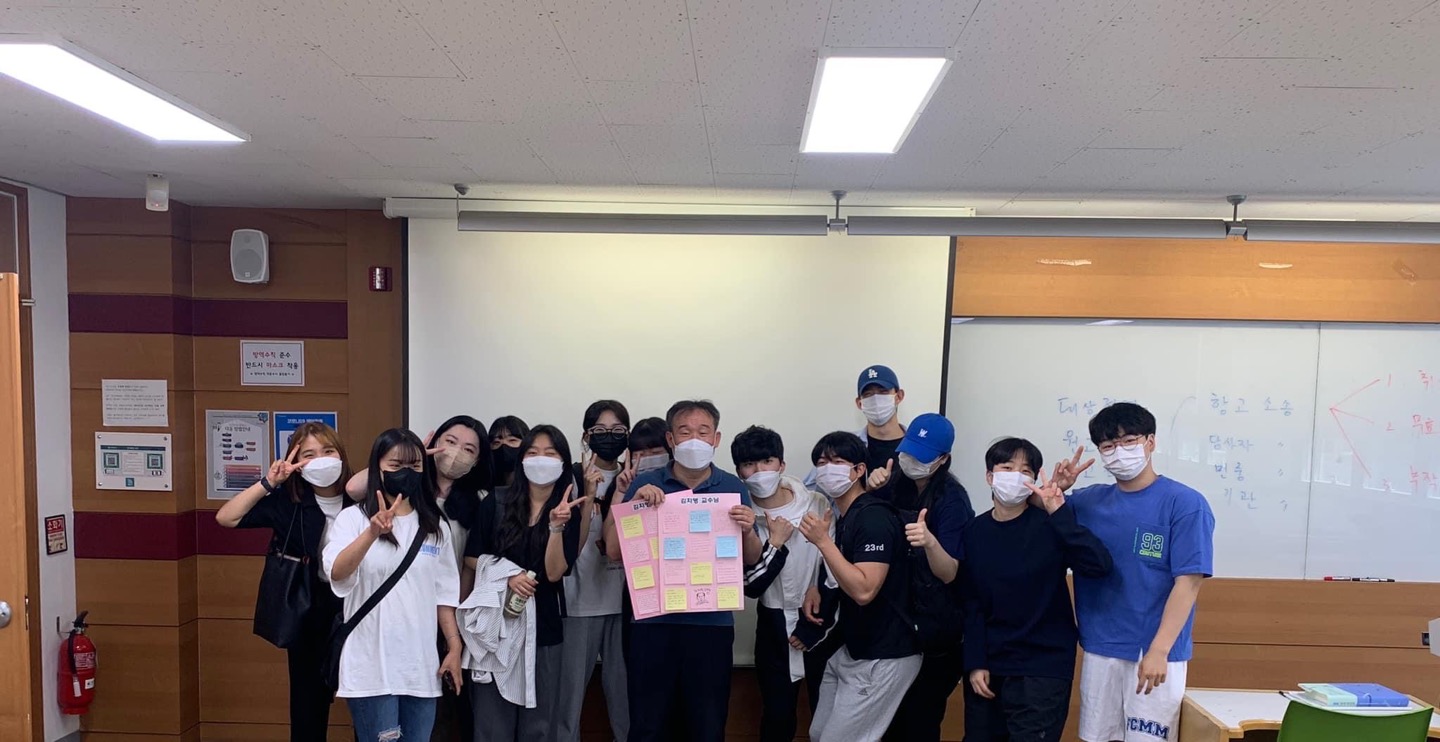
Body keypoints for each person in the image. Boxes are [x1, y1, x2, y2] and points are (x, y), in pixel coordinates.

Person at [602, 400, 764, 742]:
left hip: (711, 627)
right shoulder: (645, 484)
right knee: (648, 725)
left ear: (716, 439)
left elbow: (751, 558)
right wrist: (636, 505)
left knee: (707, 725)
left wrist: (749, 530)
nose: (694, 440)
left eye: (703, 432)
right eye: (685, 432)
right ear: (670, 439)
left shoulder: (733, 487)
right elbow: (614, 551)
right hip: (652, 625)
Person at [944, 437, 1112, 742]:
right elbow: (971, 602)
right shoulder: (975, 531)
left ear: (1034, 481)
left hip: (1042, 666)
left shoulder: (1050, 523)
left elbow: (1098, 565)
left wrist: (1058, 512)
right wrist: (975, 661)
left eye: (1025, 471)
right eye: (1007, 468)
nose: (1016, 476)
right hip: (990, 665)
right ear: (990, 476)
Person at [1065, 403, 1216, 742]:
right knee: (1097, 737)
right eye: (1108, 445)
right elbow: (1041, 511)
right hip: (1100, 648)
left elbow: (1189, 583)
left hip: (1154, 652)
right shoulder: (1087, 502)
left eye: (1129, 441)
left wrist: (1159, 650)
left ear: (1150, 442)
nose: (1119, 452)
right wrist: (1059, 489)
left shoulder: (1185, 503)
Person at [215, 422, 358, 742]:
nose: (321, 460)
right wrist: (269, 482)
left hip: (358, 611)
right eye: (309, 454)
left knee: (367, 704)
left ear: (341, 455)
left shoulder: (360, 500)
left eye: (328, 451)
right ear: (296, 462)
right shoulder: (289, 503)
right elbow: (227, 517)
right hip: (308, 613)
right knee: (308, 709)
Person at [322, 428, 463, 742]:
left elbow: (444, 594)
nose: (406, 473)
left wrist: (454, 647)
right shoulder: (353, 519)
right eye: (396, 465)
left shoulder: (435, 526)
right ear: (378, 467)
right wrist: (372, 533)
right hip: (370, 668)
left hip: (420, 670)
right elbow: (338, 573)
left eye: (415, 466)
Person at [464, 424, 588, 741]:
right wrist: (508, 575)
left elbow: (555, 572)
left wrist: (556, 527)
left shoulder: (568, 511)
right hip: (497, 625)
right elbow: (472, 557)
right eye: (532, 453)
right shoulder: (496, 502)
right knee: (492, 725)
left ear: (563, 462)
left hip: (543, 627)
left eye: (550, 453)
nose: (540, 459)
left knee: (540, 724)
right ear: (521, 460)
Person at [800, 432, 920, 742]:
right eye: (821, 463)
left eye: (837, 461)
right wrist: (815, 585)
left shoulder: (872, 518)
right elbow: (843, 574)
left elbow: (865, 590)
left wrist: (823, 541)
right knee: (818, 733)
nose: (828, 469)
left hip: (885, 653)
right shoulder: (846, 517)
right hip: (854, 649)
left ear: (859, 470)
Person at [878, 413, 974, 742]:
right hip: (898, 625)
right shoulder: (896, 484)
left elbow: (950, 573)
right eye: (908, 452)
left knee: (920, 721)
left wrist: (930, 543)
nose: (911, 461)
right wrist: (872, 489)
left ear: (942, 459)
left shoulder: (952, 499)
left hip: (936, 633)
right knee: (889, 722)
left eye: (922, 456)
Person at [732, 425, 831, 742]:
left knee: (827, 714)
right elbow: (751, 586)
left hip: (821, 619)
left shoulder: (817, 503)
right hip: (772, 623)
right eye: (749, 464)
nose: (759, 471)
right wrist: (774, 543)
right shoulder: (740, 515)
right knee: (777, 716)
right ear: (739, 472)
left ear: (781, 464)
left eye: (767, 461)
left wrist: (819, 612)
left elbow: (835, 565)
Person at [555, 401, 632, 742]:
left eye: (618, 431)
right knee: (568, 698)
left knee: (625, 697)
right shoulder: (569, 477)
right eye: (600, 430)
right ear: (586, 436)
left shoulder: (637, 478)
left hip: (626, 604)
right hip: (579, 603)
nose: (609, 437)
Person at [855, 365, 907, 477]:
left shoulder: (918, 444)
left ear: (898, 396)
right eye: (868, 394)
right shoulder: (848, 446)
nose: (876, 399)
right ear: (859, 403)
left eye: (883, 392)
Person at [489, 416, 531, 488]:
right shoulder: (483, 489)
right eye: (496, 442)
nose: (503, 445)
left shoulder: (535, 486)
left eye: (512, 440)